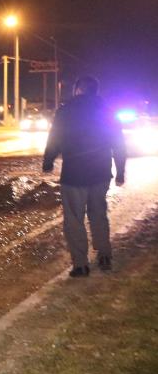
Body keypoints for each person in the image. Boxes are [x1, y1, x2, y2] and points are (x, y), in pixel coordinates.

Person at [42, 76, 127, 277]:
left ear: (78, 90)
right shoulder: (108, 112)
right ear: (95, 91)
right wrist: (121, 172)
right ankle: (105, 255)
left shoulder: (65, 111)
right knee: (98, 214)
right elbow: (119, 144)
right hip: (100, 173)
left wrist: (48, 161)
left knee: (74, 219)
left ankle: (80, 264)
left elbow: (54, 138)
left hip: (74, 175)